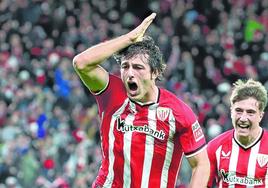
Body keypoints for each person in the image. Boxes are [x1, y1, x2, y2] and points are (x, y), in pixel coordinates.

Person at [73, 13, 210, 188]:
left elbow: (201, 164)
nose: (130, 73)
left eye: (138, 67)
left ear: (155, 73)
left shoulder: (178, 112)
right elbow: (81, 63)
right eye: (125, 67)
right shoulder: (113, 93)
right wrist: (128, 38)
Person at [207, 79, 268, 187]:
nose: (243, 118)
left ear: (261, 115)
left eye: (250, 112)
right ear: (231, 112)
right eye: (238, 111)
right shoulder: (214, 147)